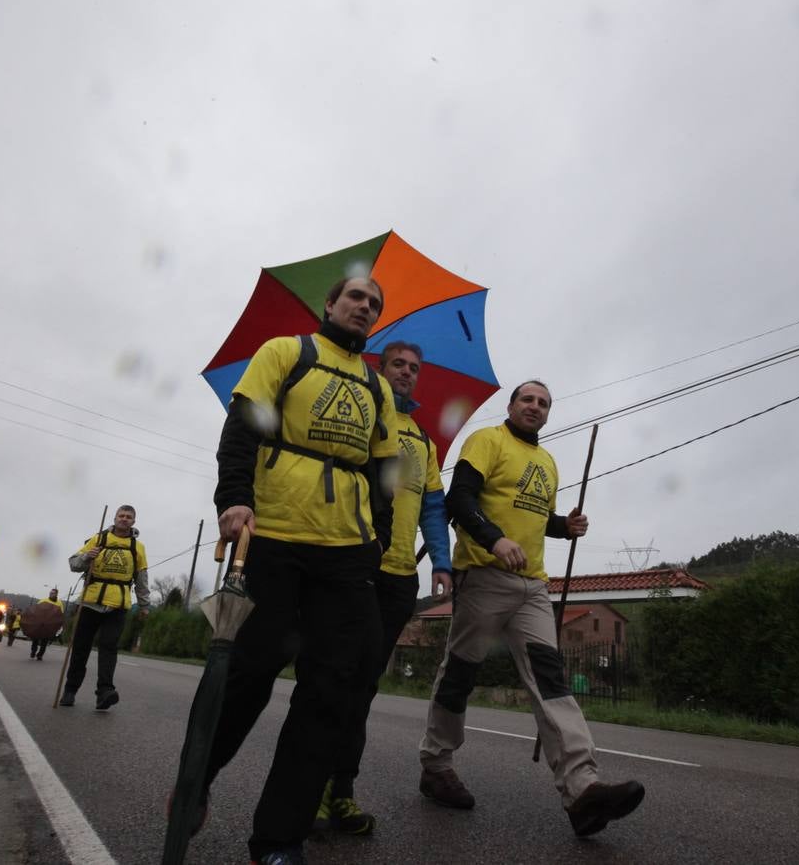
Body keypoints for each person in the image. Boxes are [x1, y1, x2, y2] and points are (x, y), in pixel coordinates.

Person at [202, 275, 397, 865]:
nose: (366, 307)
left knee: (333, 690)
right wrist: (234, 498)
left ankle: (279, 838)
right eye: (357, 298)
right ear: (330, 304)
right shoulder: (286, 352)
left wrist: (377, 542)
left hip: (346, 556)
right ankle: (198, 776)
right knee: (249, 672)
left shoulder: (378, 388)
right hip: (275, 539)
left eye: (375, 305)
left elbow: (385, 473)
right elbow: (240, 429)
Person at [418, 381, 645, 837]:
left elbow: (537, 519)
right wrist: (494, 539)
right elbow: (460, 500)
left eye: (543, 403)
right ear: (512, 406)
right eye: (528, 399)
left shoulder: (547, 462)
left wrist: (566, 525)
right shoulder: (486, 441)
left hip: (533, 587)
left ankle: (582, 789)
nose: (535, 407)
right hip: (483, 577)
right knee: (460, 673)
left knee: (551, 680)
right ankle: (437, 764)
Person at [317, 341, 453, 836]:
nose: (407, 373)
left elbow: (434, 507)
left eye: (415, 368)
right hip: (352, 565)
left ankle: (341, 793)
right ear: (380, 367)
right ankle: (307, 792)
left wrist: (442, 561)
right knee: (332, 679)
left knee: (363, 688)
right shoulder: (362, 411)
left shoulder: (423, 439)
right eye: (398, 364)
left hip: (399, 578)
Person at [59, 506, 151, 709]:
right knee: (80, 648)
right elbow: (74, 565)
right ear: (115, 518)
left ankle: (105, 692)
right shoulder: (98, 539)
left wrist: (144, 605)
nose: (125, 519)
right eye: (122, 516)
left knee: (109, 648)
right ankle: (70, 690)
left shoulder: (138, 547)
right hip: (90, 603)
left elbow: (141, 579)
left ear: (133, 522)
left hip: (118, 605)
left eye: (129, 517)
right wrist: (87, 556)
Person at [29, 589, 64, 660]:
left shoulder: (59, 603)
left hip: (49, 625)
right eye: (50, 593)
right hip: (40, 623)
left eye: (53, 593)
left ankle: (40, 655)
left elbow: (60, 614)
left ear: (56, 594)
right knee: (35, 638)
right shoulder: (43, 600)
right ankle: (33, 651)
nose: (51, 594)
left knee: (45, 641)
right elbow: (36, 609)